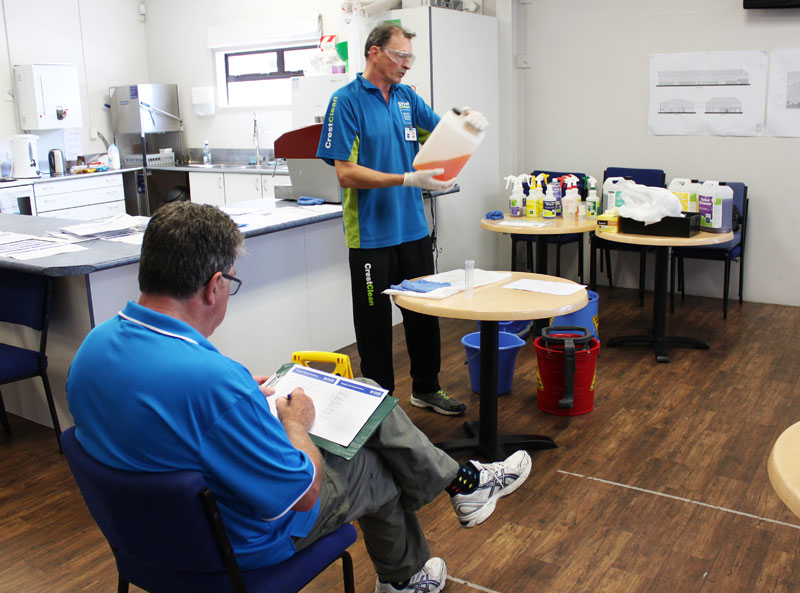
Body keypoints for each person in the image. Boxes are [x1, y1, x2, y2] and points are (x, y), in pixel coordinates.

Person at [66, 202, 531, 593]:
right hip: (234, 547)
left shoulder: (93, 350)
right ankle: (410, 569)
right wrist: (295, 423)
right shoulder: (212, 382)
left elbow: (166, 417)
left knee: (366, 396)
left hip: (146, 538)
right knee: (377, 465)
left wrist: (241, 395)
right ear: (215, 286)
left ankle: (462, 486)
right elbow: (303, 496)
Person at [316, 23, 487, 416]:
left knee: (423, 315)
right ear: (374, 52)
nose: (407, 64)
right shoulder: (345, 102)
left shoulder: (407, 97)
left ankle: (427, 388)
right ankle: (380, 406)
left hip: (413, 229)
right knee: (375, 325)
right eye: (400, 55)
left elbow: (444, 135)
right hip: (371, 236)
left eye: (411, 57)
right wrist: (407, 178)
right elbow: (345, 172)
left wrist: (467, 126)